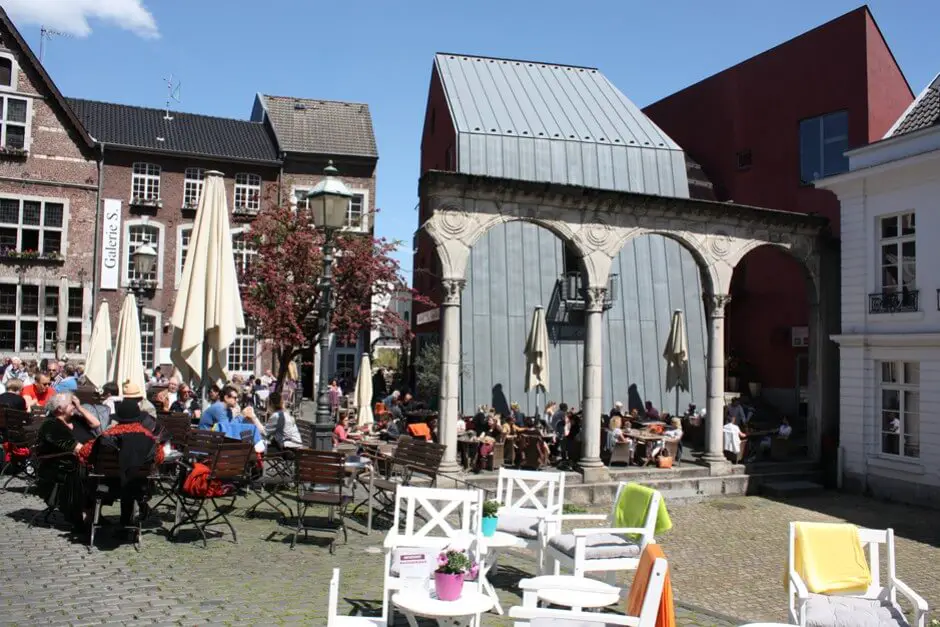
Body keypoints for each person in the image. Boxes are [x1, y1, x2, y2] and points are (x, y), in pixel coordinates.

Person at [78, 396, 165, 532]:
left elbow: (84, 453)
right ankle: (127, 523)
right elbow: (159, 458)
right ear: (138, 417)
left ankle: (91, 518)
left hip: (106, 485)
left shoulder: (106, 436)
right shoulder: (149, 438)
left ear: (118, 418)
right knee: (130, 477)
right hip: (137, 486)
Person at [35, 393, 86, 528]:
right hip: (56, 468)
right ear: (59, 409)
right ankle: (81, 516)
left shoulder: (71, 421)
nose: (74, 406)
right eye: (71, 404)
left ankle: (92, 513)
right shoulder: (52, 425)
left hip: (67, 463)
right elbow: (74, 447)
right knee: (90, 476)